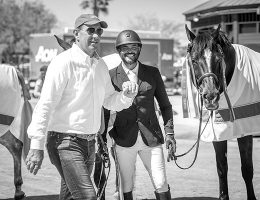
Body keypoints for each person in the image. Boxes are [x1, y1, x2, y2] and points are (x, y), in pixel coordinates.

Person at [25, 14, 138, 200]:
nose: (96, 35)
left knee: (70, 196)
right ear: (77, 34)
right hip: (65, 143)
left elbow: (109, 100)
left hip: (89, 143)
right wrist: (36, 145)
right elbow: (45, 104)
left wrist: (126, 96)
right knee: (87, 196)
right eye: (90, 30)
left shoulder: (100, 65)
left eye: (99, 31)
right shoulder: (63, 62)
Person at [103, 30, 176, 200]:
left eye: (134, 46)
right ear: (118, 51)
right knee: (126, 187)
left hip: (152, 138)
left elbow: (165, 106)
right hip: (122, 139)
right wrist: (102, 139)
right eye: (125, 47)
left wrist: (170, 133)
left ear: (139, 49)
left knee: (160, 183)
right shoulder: (110, 76)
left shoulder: (153, 73)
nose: (130, 50)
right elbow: (105, 109)